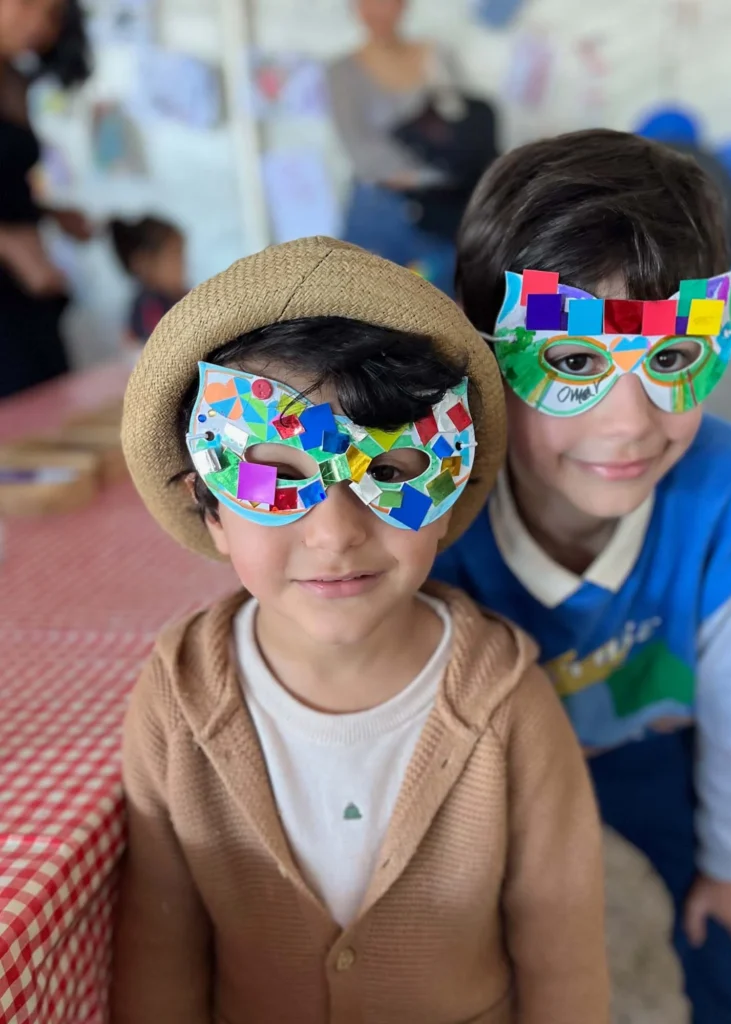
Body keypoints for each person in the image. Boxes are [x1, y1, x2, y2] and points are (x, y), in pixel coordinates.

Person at [112, 236, 609, 1024]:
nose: (336, 533)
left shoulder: (510, 705)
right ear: (210, 510)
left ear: (447, 499)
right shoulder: (178, 698)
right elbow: (160, 941)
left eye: (394, 471)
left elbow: (564, 954)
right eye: (278, 476)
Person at [434, 130, 731, 1024]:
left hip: (651, 741)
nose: (630, 423)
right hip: (482, 761)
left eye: (674, 357)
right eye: (572, 363)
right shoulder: (433, 497)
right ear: (483, 352)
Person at [328, 0, 462, 296]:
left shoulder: (435, 57)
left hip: (440, 206)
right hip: (377, 205)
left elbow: (459, 127)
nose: (377, 10)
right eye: (367, 4)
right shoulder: (341, 72)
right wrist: (424, 172)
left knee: (442, 303)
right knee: (364, 302)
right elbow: (359, 149)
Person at [0, 0, 93, 398]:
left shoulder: (15, 80)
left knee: (52, 398)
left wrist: (50, 213)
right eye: (28, 3)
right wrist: (10, 246)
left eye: (54, 14)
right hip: (15, 274)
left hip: (28, 286)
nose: (40, 22)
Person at [108, 215, 187, 345]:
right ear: (144, 263)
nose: (182, 265)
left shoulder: (179, 297)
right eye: (174, 257)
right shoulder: (148, 308)